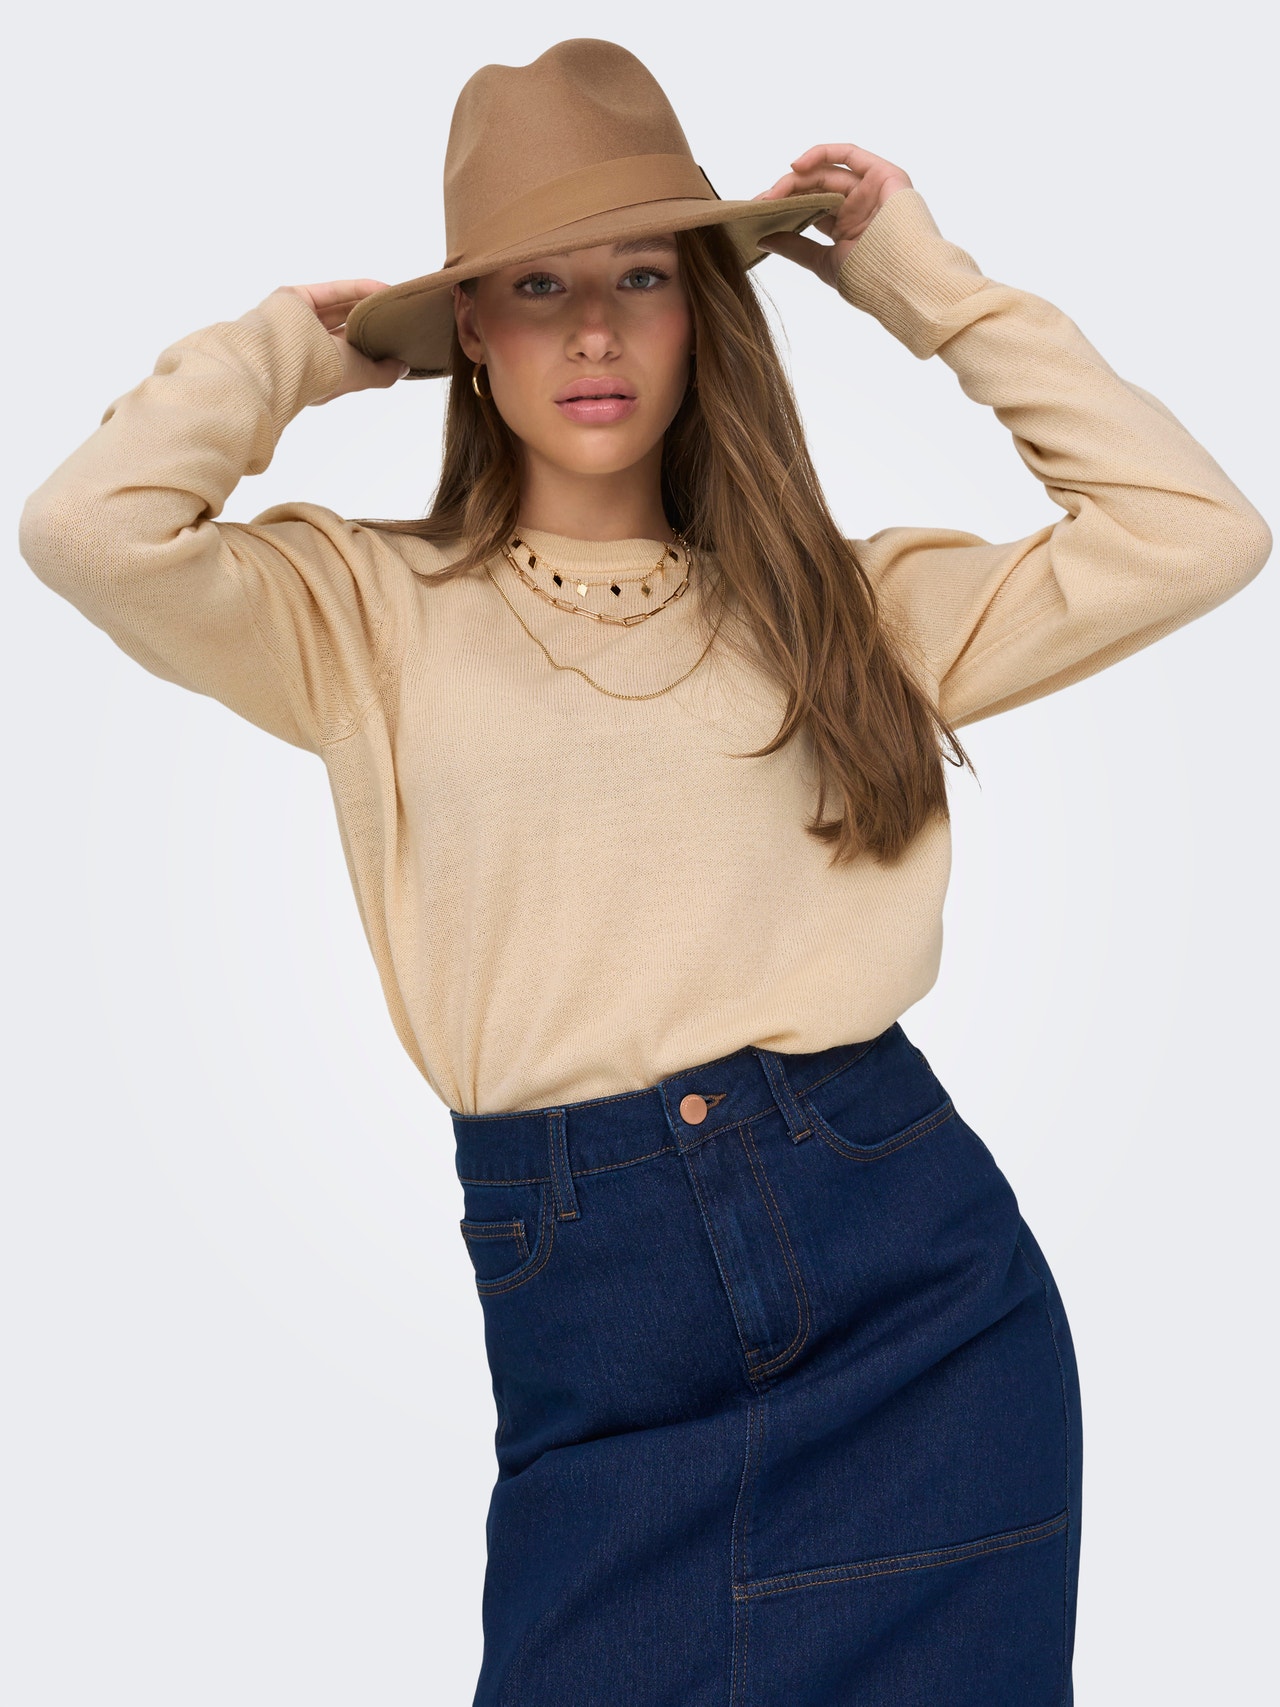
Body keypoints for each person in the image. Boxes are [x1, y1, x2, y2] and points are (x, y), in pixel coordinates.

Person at [18, 34, 1270, 1707]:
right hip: (596, 1336)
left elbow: (1198, 532)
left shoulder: (849, 611)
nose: (594, 331)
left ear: (703, 313)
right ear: (471, 330)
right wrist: (293, 352)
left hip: (920, 1311)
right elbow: (87, 531)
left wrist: (924, 288)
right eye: (537, 286)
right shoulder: (358, 614)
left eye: (642, 278)